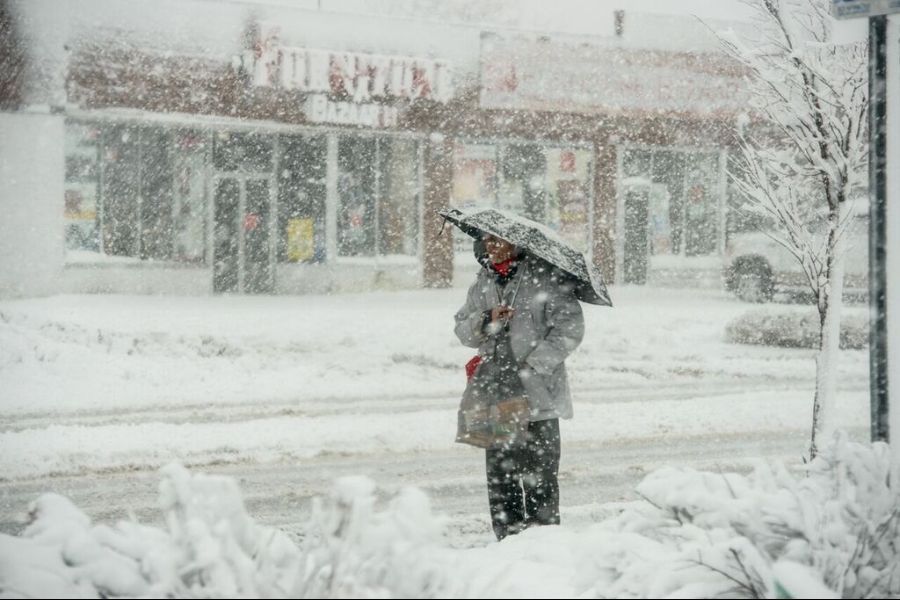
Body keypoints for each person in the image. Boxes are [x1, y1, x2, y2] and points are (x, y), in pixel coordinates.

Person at [454, 232, 585, 541]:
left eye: (498, 240)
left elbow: (570, 328)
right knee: (502, 482)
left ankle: (544, 547)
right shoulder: (483, 281)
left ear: (517, 244)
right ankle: (507, 544)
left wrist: (535, 365)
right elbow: (462, 329)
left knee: (540, 480)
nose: (491, 246)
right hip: (496, 395)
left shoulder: (545, 279)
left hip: (538, 397)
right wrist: (487, 318)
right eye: (487, 240)